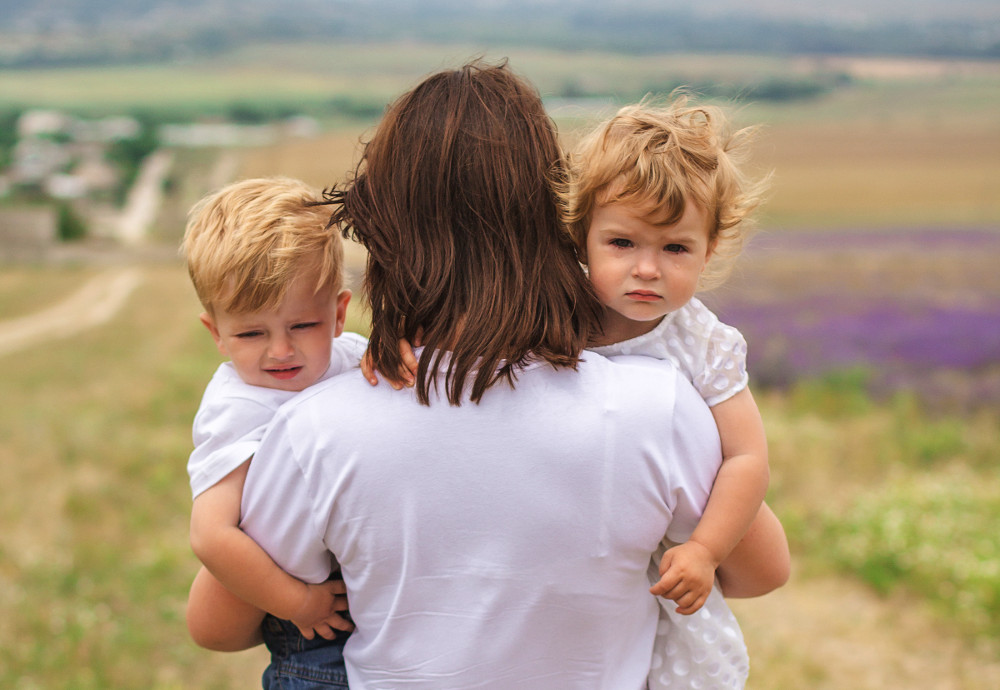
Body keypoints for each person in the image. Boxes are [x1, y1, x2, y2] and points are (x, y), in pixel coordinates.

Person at [201, 60, 789, 689]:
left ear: (385, 232)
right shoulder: (659, 407)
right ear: (560, 220)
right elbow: (761, 572)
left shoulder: (313, 427)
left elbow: (219, 627)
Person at [561, 97, 771, 688]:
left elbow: (747, 457)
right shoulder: (551, 316)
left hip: (669, 556)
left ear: (710, 250)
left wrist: (705, 549)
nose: (648, 269)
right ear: (580, 239)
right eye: (622, 244)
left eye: (675, 248)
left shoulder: (705, 341)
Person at [181, 177, 376, 686]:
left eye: (302, 326)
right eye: (251, 333)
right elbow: (212, 533)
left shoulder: (351, 355)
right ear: (216, 333)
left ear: (337, 313)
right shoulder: (239, 406)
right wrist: (299, 602)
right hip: (308, 626)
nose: (281, 351)